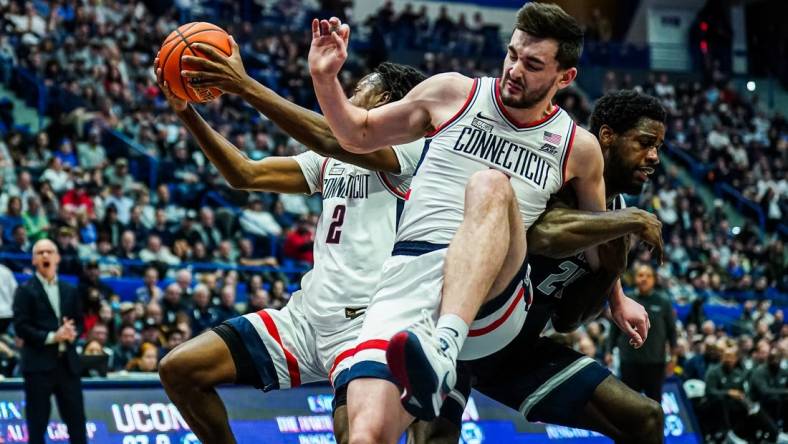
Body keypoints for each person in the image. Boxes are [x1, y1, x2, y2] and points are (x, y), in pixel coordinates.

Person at [308, 4, 647, 438]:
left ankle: (444, 346)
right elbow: (357, 134)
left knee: (489, 185)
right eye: (512, 55)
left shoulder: (576, 147)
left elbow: (595, 234)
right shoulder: (453, 92)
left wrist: (617, 300)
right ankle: (432, 364)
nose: (514, 70)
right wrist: (324, 78)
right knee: (365, 433)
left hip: (497, 293)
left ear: (565, 77)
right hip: (407, 277)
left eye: (532, 64)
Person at [156, 42, 449, 444]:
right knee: (180, 369)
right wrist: (187, 114)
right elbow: (245, 174)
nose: (348, 92)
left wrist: (245, 86)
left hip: (365, 325)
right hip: (307, 319)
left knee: (357, 437)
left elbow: (336, 137)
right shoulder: (331, 158)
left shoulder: (411, 148)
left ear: (384, 99)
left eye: (360, 86)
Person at [424, 90, 668, 443]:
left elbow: (569, 318)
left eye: (658, 147)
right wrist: (627, 222)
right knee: (437, 435)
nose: (654, 157)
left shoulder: (617, 214)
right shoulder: (559, 173)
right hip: (464, 330)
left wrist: (615, 294)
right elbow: (542, 236)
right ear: (607, 136)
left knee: (645, 417)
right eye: (645, 143)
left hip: (517, 350)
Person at [12, 239, 86, 444]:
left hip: (67, 366)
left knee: (78, 424)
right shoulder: (25, 290)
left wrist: (73, 332)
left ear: (57, 257)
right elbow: (21, 327)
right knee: (37, 426)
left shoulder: (69, 289)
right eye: (40, 252)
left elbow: (80, 322)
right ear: (34, 259)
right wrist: (53, 336)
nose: (45, 255)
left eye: (49, 251)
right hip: (38, 367)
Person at [607, 264, 676, 401]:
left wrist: (673, 357)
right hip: (629, 361)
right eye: (640, 275)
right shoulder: (625, 300)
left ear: (654, 280)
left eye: (648, 276)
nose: (644, 279)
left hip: (655, 363)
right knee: (629, 403)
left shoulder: (664, 301)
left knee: (655, 403)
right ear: (635, 278)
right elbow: (614, 329)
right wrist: (608, 351)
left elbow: (671, 331)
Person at [0, 263, 16, 334]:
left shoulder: (6, 271)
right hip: (7, 314)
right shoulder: (6, 271)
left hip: (6, 315)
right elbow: (15, 293)